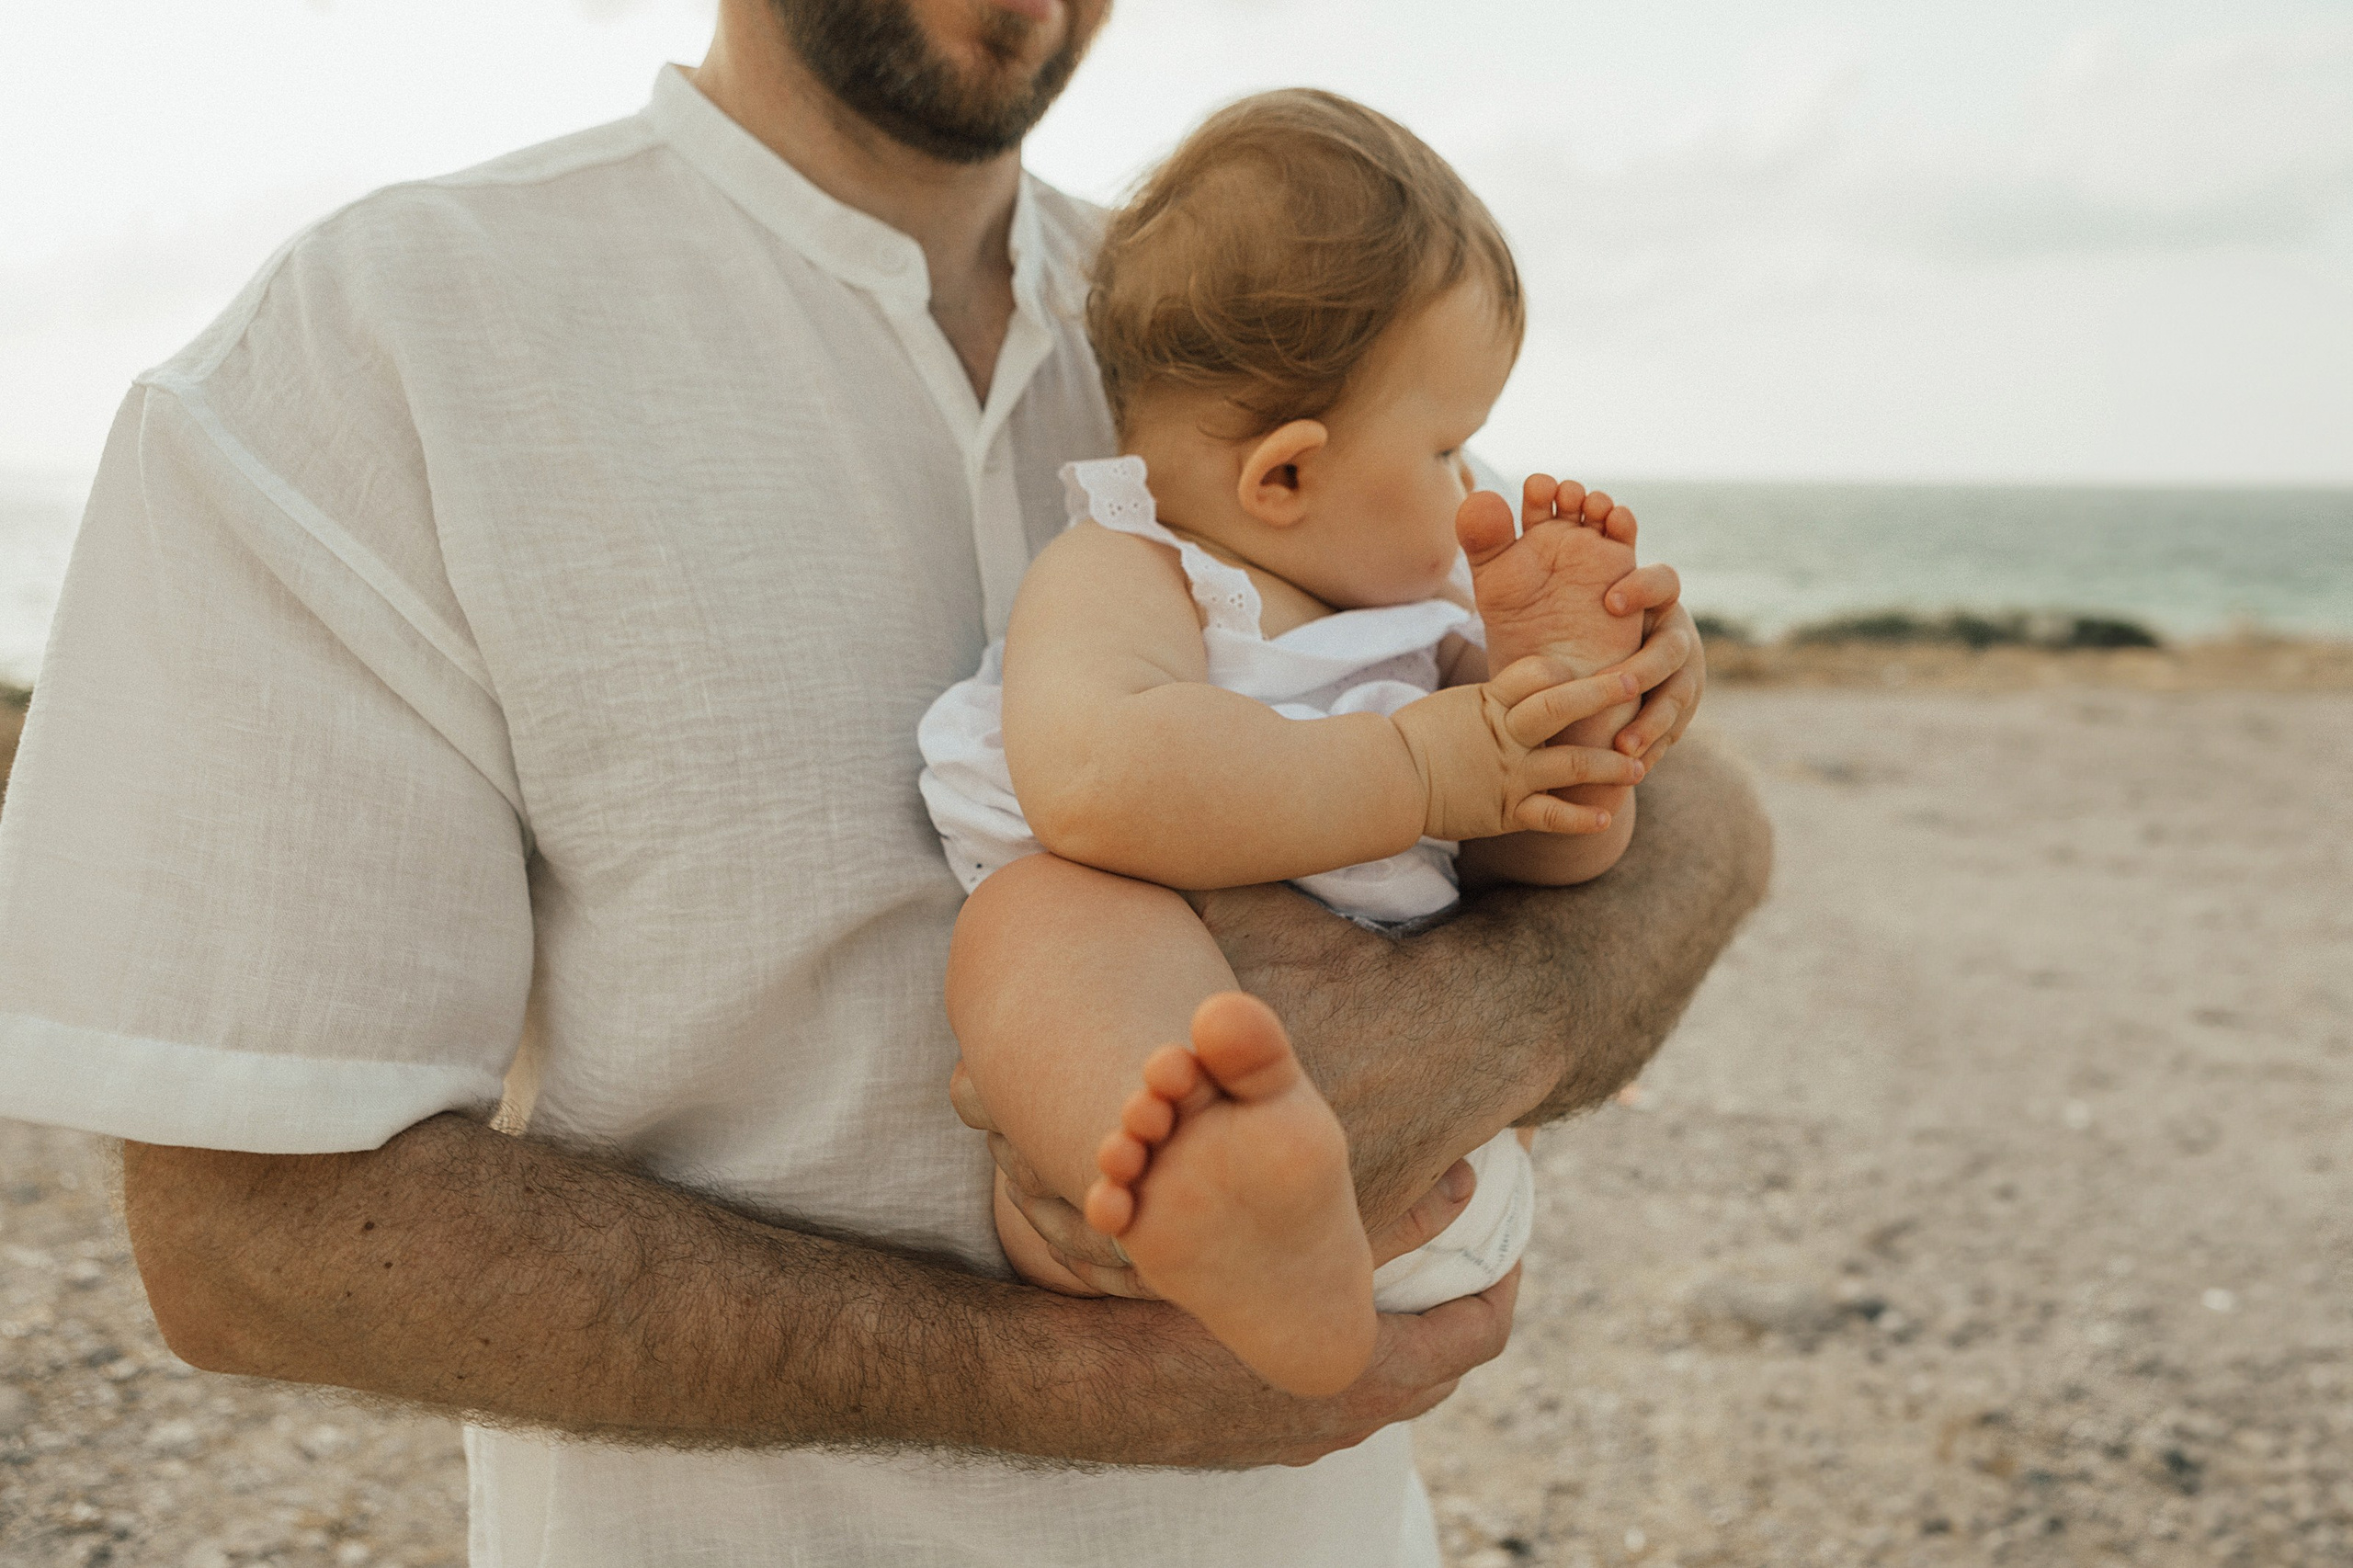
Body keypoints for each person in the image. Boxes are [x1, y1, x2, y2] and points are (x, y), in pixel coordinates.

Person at [0, 0, 1768, 1562]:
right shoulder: (375, 348)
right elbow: (252, 1238)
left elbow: (1700, 816)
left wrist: (1499, 994)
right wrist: (1077, 1380)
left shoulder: (1257, 314)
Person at [924, 90, 1658, 1398]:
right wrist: (1421, 770)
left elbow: (1541, 873)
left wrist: (1576, 724)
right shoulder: (1131, 569)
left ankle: (1264, 1208)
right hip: (1177, 1223)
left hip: (1435, 1154)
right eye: (1444, 446)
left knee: (1032, 925)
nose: (1476, 487)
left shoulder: (1423, 629)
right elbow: (1096, 783)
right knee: (1044, 914)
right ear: (1284, 479)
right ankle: (1229, 1194)